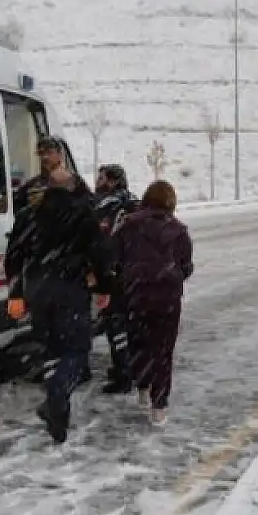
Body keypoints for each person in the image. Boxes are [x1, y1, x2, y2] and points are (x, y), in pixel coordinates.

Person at [5, 166, 112, 443]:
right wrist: (104, 287)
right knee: (76, 350)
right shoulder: (82, 215)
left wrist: (16, 294)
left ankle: (58, 416)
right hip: (71, 290)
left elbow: (14, 256)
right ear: (71, 186)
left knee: (51, 347)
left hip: (38, 292)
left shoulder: (29, 216)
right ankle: (57, 395)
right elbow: (100, 254)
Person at [114, 181, 193, 426]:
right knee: (163, 350)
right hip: (166, 297)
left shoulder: (128, 225)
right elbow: (186, 265)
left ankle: (143, 387)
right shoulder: (178, 230)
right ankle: (159, 406)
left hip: (135, 294)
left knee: (138, 343)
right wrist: (173, 274)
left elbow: (114, 257)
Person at [92, 164, 139, 394]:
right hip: (136, 271)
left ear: (111, 181)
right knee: (130, 323)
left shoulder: (106, 205)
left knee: (115, 323)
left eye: (101, 178)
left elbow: (102, 242)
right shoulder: (135, 201)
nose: (97, 182)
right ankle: (132, 366)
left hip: (115, 273)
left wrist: (100, 272)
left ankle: (123, 374)